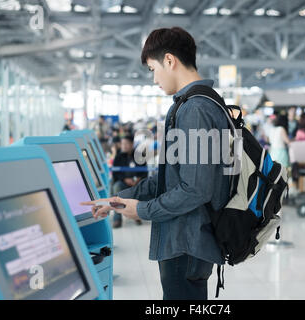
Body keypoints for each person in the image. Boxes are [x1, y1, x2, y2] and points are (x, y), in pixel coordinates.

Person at [81, 27, 230, 300]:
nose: (154, 79)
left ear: (170, 61)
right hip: (188, 240)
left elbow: (196, 189)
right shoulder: (196, 104)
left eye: (152, 69)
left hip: (186, 242)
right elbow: (169, 178)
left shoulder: (195, 109)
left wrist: (144, 210)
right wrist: (118, 200)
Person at [110, 135, 147, 228]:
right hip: (122, 182)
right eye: (122, 144)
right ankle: (117, 219)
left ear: (132, 144)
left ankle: (137, 214)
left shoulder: (139, 155)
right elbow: (115, 173)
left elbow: (145, 171)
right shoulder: (118, 157)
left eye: (126, 143)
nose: (124, 146)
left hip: (137, 182)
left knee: (143, 187)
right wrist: (125, 179)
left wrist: (138, 179)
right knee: (116, 187)